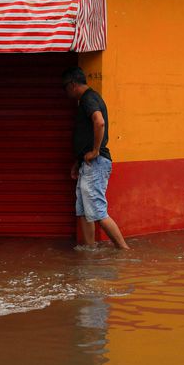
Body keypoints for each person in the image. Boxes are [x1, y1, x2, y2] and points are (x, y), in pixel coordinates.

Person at [63, 67, 130, 250]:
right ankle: (90, 252)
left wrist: (95, 151)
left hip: (95, 163)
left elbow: (99, 122)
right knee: (84, 211)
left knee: (97, 211)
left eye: (65, 87)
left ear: (73, 84)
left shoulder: (88, 99)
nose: (66, 92)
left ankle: (124, 252)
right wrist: (78, 161)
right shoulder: (87, 99)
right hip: (87, 164)